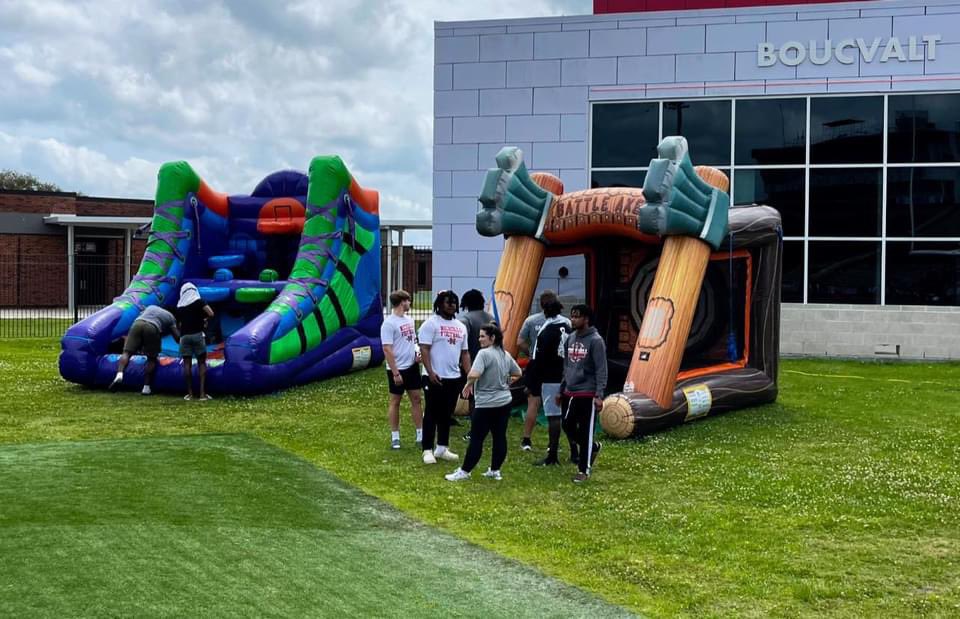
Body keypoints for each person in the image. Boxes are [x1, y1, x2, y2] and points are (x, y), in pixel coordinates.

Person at [445, 323, 521, 482]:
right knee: (499, 437)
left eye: (482, 336)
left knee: (477, 438)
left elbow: (474, 373)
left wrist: (468, 383)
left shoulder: (484, 354)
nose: (479, 339)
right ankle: (495, 470)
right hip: (504, 402)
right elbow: (518, 372)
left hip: (486, 404)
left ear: (492, 338)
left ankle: (465, 471)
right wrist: (507, 383)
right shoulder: (505, 354)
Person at [418, 290, 470, 465]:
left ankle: (442, 447)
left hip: (453, 376)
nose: (452, 305)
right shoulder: (430, 324)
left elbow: (465, 353)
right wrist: (430, 371)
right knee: (431, 412)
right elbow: (424, 349)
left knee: (447, 413)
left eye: (454, 302)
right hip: (433, 376)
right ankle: (427, 449)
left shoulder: (461, 327)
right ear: (439, 304)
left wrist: (469, 376)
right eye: (448, 302)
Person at [557, 304, 608, 483]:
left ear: (586, 319)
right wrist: (561, 388)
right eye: (572, 316)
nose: (573, 320)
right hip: (570, 392)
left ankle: (583, 470)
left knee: (586, 431)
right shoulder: (570, 338)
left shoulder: (596, 341)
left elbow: (601, 369)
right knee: (567, 425)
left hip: (587, 392)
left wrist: (599, 395)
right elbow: (567, 366)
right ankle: (592, 447)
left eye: (577, 317)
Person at [526, 295, 572, 466]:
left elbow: (538, 359)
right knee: (566, 416)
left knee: (554, 416)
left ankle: (552, 454)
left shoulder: (546, 332)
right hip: (567, 374)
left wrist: (532, 382)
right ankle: (574, 451)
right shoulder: (567, 325)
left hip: (550, 377)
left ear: (544, 310)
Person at [517, 290, 561, 451]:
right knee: (554, 407)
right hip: (554, 368)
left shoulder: (531, 320)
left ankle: (527, 439)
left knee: (533, 403)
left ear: (541, 304)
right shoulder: (563, 322)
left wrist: (531, 352)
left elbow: (520, 341)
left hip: (536, 366)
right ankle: (553, 443)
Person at [381, 289, 424, 450]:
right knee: (395, 401)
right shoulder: (389, 323)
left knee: (416, 399)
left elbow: (412, 341)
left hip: (412, 367)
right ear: (402, 302)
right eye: (408, 300)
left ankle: (420, 435)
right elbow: (387, 349)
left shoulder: (410, 320)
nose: (409, 303)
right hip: (397, 369)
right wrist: (395, 372)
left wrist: (416, 354)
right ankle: (395, 437)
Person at [109, 305, 180, 395]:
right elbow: (177, 337)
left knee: (127, 353)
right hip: (152, 327)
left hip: (137, 324)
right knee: (152, 358)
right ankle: (146, 388)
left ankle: (119, 374)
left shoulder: (151, 307)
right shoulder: (171, 317)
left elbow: (141, 319)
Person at [176, 282, 214, 401]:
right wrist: (204, 319)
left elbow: (179, 324)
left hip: (184, 337)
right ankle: (202, 394)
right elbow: (211, 313)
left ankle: (190, 394)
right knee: (201, 363)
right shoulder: (199, 301)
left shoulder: (180, 306)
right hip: (197, 334)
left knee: (187, 364)